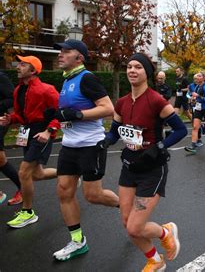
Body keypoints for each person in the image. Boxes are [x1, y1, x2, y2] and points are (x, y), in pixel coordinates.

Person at [98, 53, 187, 271]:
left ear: (147, 72)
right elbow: (116, 130)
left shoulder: (156, 100)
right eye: (129, 66)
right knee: (127, 223)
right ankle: (155, 260)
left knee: (135, 227)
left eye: (137, 66)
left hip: (152, 169)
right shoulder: (121, 103)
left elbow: (180, 129)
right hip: (129, 167)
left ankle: (165, 232)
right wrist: (106, 141)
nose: (132, 70)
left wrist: (159, 147)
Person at [51, 39, 120, 261]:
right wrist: (56, 115)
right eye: (60, 52)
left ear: (79, 57)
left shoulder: (87, 78)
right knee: (64, 191)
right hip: (70, 145)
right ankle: (78, 241)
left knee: (93, 195)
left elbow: (108, 108)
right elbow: (70, 111)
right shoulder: (67, 80)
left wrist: (78, 115)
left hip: (91, 144)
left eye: (66, 52)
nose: (61, 55)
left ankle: (125, 204)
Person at [0, 56, 60, 228]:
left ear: (33, 70)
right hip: (27, 131)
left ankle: (28, 213)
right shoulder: (18, 90)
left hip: (43, 132)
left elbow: (60, 113)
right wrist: (10, 119)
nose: (18, 67)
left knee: (24, 172)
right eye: (19, 64)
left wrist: (49, 131)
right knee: (37, 174)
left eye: (23, 64)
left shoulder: (47, 90)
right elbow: (21, 116)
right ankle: (67, 172)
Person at [0, 70, 22, 206]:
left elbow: (11, 98)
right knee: (1, 161)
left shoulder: (1, 77)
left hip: (1, 120)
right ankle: (24, 188)